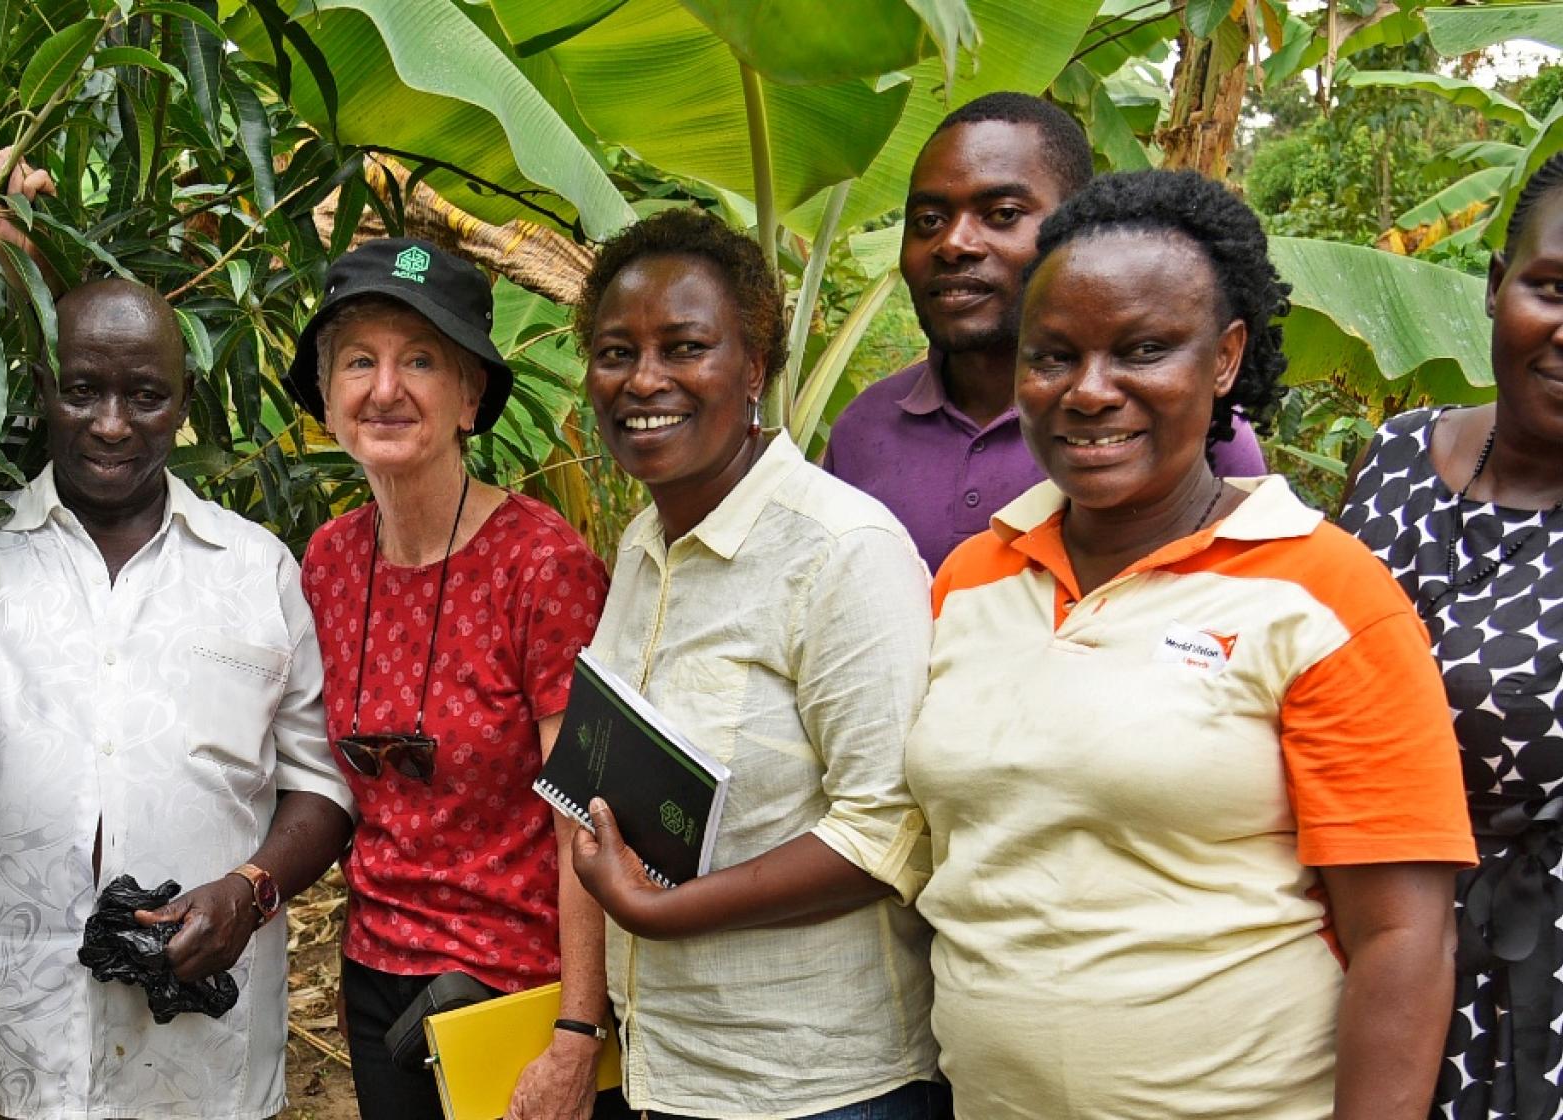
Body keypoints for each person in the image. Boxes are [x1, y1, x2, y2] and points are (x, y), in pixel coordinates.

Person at [907, 170, 1475, 1119]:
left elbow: (1403, 938)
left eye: (1143, 350)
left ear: (1223, 358)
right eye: (1052, 357)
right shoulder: (973, 577)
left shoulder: (1325, 593)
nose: (1089, 393)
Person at [0, 279, 353, 1119]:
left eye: (145, 395)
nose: (112, 422)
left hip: (191, 1065)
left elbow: (321, 786)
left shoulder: (256, 569)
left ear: (184, 401)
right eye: (83, 389)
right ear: (43, 391)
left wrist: (248, 892)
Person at [562, 208, 942, 1119]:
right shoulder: (646, 546)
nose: (644, 379)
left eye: (686, 347)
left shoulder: (841, 551)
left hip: (819, 1086)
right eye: (616, 352)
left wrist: (662, 912)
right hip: (672, 1068)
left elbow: (887, 830)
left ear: (755, 370)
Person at [279, 237, 620, 1120]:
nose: (385, 389)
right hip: (376, 975)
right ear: (326, 396)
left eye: (421, 360)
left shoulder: (542, 566)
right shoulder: (329, 559)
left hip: (518, 992)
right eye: (360, 361)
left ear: (471, 397)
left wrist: (579, 1031)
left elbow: (583, 814)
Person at [1336, 151, 1563, 1120]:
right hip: (1352, 955)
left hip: (1535, 1008)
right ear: (1493, 288)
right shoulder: (1394, 457)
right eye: (1550, 288)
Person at [822, 92, 1267, 569]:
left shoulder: (1178, 427)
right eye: (928, 221)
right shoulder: (862, 430)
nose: (953, 244)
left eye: (1003, 215)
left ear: (1075, 228)